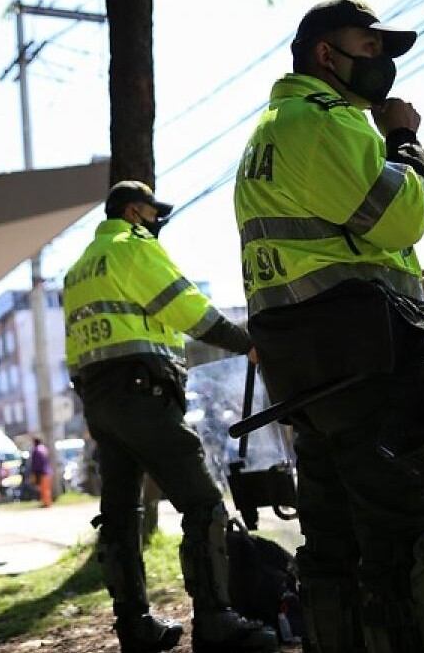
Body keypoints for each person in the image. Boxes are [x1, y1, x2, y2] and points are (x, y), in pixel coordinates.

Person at [233, 0, 424, 652]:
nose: (381, 63)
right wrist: (404, 138)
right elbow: (401, 216)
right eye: (370, 48)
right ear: (325, 55)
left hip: (310, 370)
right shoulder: (325, 119)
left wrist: (416, 281)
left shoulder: (271, 131)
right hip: (364, 361)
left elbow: (326, 251)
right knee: (398, 530)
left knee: (332, 540)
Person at [64, 180, 278, 653]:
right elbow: (187, 309)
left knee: (120, 515)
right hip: (143, 391)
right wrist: (247, 343)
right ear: (135, 211)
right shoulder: (132, 247)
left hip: (100, 401)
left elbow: (76, 352)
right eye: (153, 213)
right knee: (203, 503)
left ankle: (134, 627)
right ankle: (216, 619)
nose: (157, 222)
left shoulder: (79, 269)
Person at [29, 437, 53, 507]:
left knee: (43, 489)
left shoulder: (36, 450)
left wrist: (34, 473)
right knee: (47, 489)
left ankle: (46, 503)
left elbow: (35, 464)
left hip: (42, 472)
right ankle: (47, 502)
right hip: (48, 471)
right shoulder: (44, 449)